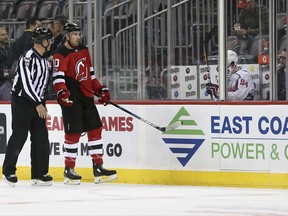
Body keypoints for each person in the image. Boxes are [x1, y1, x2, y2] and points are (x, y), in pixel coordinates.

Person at [52, 23, 117, 185]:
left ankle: (98, 167)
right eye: (74, 34)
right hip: (72, 97)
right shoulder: (60, 54)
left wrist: (101, 89)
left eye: (78, 34)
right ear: (67, 36)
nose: (78, 37)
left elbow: (91, 75)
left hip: (87, 96)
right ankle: (69, 170)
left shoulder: (84, 50)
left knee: (95, 129)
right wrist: (62, 94)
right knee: (73, 133)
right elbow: (58, 79)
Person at [2, 27, 54, 187]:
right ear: (44, 42)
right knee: (20, 135)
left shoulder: (44, 60)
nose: (51, 43)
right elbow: (26, 84)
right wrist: (38, 103)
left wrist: (42, 102)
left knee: (41, 137)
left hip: (38, 102)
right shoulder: (28, 57)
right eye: (50, 40)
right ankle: (8, 170)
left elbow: (43, 85)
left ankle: (39, 173)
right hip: (23, 102)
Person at [0, 27, 13, 100]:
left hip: (8, 81)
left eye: (6, 34)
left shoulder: (8, 49)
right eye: (3, 35)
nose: (6, 36)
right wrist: (5, 73)